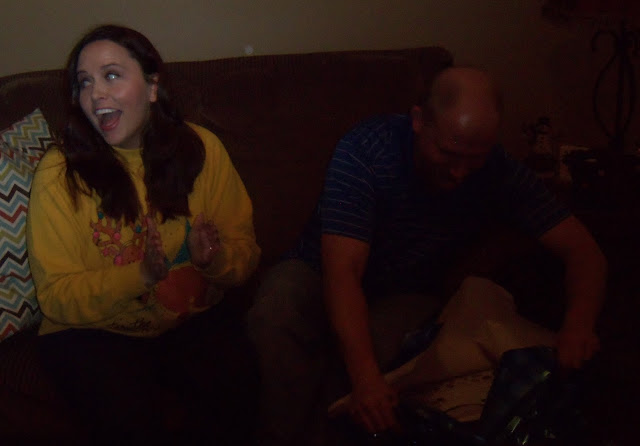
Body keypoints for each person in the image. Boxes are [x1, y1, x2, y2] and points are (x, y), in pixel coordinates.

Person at [247, 66, 607, 444]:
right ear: (419, 120)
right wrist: (365, 379)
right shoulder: (366, 151)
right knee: (277, 305)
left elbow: (585, 251)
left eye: (474, 159)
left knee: (378, 346)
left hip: (407, 291)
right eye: (448, 153)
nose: (459, 173)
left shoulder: (498, 170)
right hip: (319, 268)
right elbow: (343, 270)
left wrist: (578, 325)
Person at [26, 25, 261, 445]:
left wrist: (214, 261)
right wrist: (141, 275)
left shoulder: (202, 149)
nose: (96, 94)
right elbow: (56, 297)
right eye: (84, 82)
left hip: (189, 321)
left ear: (153, 87)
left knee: (239, 393)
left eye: (111, 75)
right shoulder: (59, 173)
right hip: (93, 332)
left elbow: (246, 254)